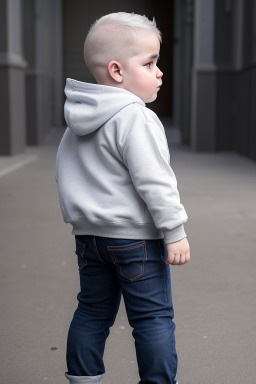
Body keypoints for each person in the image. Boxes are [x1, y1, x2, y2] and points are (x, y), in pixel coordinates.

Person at [56, 12, 190, 384]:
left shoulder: (78, 118)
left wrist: (81, 219)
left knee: (92, 312)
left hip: (90, 239)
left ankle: (83, 379)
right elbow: (156, 181)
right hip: (137, 241)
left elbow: (65, 174)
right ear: (117, 71)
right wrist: (174, 231)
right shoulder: (136, 117)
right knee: (152, 318)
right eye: (150, 62)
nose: (159, 71)